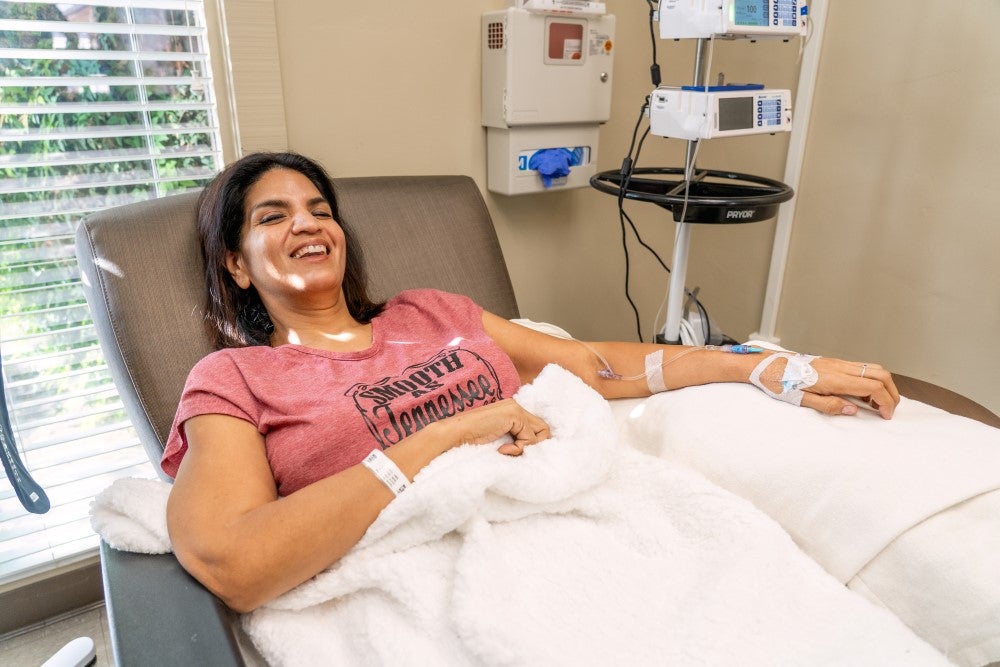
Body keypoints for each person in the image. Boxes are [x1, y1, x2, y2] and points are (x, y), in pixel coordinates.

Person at [163, 152, 900, 614]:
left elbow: (590, 364)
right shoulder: (233, 377)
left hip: (580, 522)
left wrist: (762, 365)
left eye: (321, 209)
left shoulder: (432, 312)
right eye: (274, 215)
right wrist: (449, 433)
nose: (309, 223)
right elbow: (236, 560)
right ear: (236, 263)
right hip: (454, 576)